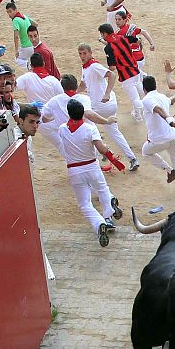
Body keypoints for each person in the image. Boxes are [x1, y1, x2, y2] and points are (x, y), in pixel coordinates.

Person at [58, 99, 121, 247]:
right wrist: (109, 153)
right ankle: (108, 214)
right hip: (92, 166)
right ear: (83, 113)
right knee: (103, 190)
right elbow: (101, 149)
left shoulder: (61, 129)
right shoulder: (89, 128)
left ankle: (99, 223)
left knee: (85, 203)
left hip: (74, 170)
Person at [77, 42, 139, 170]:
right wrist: (73, 93)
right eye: (80, 54)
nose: (82, 56)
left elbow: (112, 74)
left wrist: (107, 93)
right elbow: (83, 84)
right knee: (114, 133)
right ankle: (132, 158)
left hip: (102, 106)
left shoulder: (94, 66)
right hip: (107, 105)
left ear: (90, 53)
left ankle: (102, 148)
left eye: (84, 53)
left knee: (84, 124)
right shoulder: (86, 67)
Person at [140, 75, 175, 196]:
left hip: (158, 139)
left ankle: (170, 170)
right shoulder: (162, 97)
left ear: (144, 89)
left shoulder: (146, 100)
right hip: (171, 137)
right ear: (155, 86)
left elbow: (158, 109)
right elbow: (172, 100)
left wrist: (170, 121)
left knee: (145, 152)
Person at [98, 22, 143, 121]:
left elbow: (112, 67)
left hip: (126, 75)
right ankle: (139, 112)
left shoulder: (108, 48)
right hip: (136, 70)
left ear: (105, 34)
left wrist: (103, 71)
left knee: (135, 98)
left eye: (102, 34)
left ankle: (139, 117)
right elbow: (137, 40)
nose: (102, 36)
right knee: (140, 92)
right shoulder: (123, 37)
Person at [115, 10, 154, 81]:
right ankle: (143, 76)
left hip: (134, 61)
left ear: (125, 20)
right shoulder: (131, 28)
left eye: (119, 19)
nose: (117, 21)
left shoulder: (120, 33)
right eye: (116, 19)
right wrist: (151, 44)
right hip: (141, 58)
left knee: (135, 81)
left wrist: (101, 40)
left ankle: (145, 78)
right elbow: (144, 32)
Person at [5, 2, 35, 67]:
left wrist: (16, 50)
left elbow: (16, 36)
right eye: (8, 12)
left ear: (15, 10)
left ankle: (29, 66)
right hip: (34, 45)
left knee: (17, 59)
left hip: (26, 47)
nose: (9, 14)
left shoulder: (15, 20)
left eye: (10, 11)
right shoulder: (24, 16)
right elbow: (36, 24)